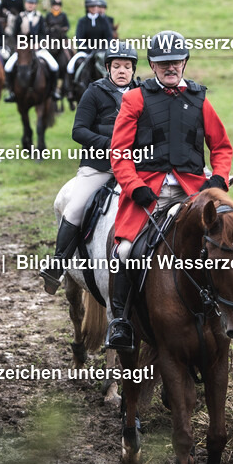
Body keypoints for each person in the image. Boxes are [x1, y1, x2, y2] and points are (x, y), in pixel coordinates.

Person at [105, 31, 233, 351]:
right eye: (163, 63)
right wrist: (134, 187)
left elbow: (221, 147)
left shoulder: (201, 99)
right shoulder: (134, 99)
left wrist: (218, 179)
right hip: (149, 192)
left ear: (185, 62)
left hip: (194, 190)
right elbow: (119, 153)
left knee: (228, 239)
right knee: (124, 253)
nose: (170, 67)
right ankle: (121, 321)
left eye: (176, 61)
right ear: (152, 65)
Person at [41, 42, 139, 292]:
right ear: (107, 68)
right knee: (74, 209)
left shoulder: (141, 93)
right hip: (98, 168)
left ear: (133, 70)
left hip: (135, 168)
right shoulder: (94, 92)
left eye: (127, 67)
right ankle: (58, 265)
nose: (122, 71)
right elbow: (78, 131)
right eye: (116, 66)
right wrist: (110, 144)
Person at [4, 0, 60, 101]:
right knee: (8, 67)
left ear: (36, 5)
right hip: (23, 50)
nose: (30, 5)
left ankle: (53, 91)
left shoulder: (40, 17)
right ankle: (11, 92)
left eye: (33, 3)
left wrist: (38, 43)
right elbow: (14, 34)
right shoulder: (19, 17)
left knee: (54, 66)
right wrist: (20, 45)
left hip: (37, 49)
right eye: (29, 3)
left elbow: (43, 33)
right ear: (25, 4)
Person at [67, 0, 115, 76]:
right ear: (87, 7)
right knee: (70, 66)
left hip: (101, 52)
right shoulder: (82, 21)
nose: (95, 8)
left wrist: (101, 48)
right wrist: (87, 49)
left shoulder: (104, 20)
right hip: (86, 52)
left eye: (96, 6)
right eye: (92, 6)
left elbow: (109, 37)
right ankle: (73, 85)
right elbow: (79, 38)